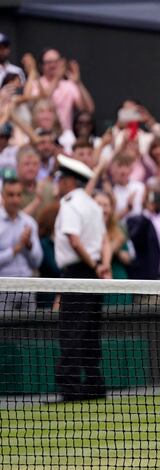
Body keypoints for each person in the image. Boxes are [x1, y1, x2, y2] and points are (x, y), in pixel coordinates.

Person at [53, 154, 111, 402]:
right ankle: (94, 383)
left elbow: (74, 240)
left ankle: (71, 387)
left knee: (72, 330)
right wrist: (101, 266)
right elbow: (103, 240)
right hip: (93, 275)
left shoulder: (69, 204)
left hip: (77, 274)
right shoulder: (92, 205)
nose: (58, 183)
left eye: (61, 179)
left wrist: (95, 265)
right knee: (89, 331)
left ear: (69, 181)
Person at [0, 175, 43, 311]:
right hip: (3, 287)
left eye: (18, 195)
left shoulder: (29, 222)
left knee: (29, 331)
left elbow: (37, 262)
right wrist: (15, 249)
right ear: (2, 196)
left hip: (27, 286)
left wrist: (29, 245)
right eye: (11, 195)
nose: (15, 199)